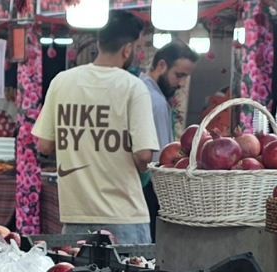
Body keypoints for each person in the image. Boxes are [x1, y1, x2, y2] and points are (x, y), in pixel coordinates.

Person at [33, 11, 158, 245]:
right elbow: (143, 155)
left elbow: (45, 145)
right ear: (128, 49)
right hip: (125, 215)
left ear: (99, 43)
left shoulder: (62, 81)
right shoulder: (133, 87)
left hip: (75, 214)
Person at [141, 42, 196, 238]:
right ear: (162, 65)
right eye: (179, 75)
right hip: (151, 187)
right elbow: (163, 158)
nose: (181, 83)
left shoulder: (139, 89)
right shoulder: (155, 101)